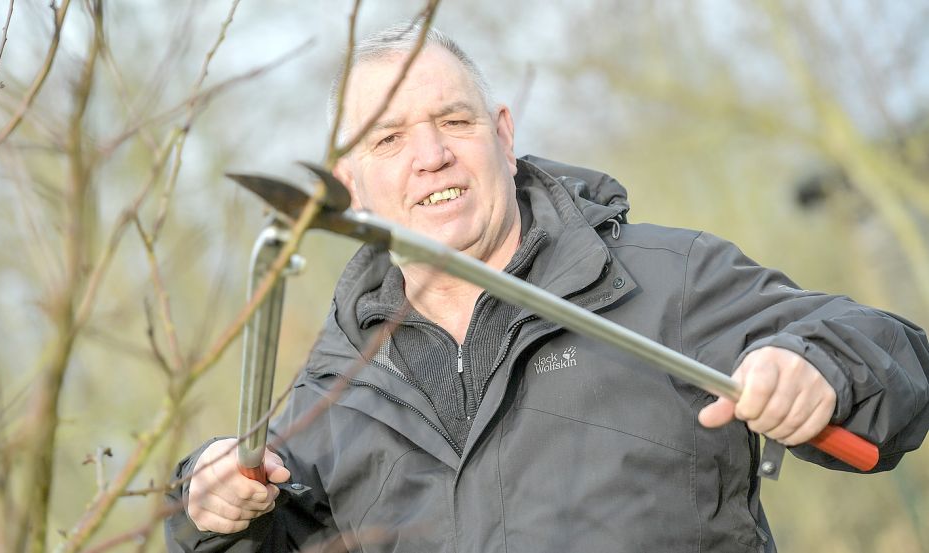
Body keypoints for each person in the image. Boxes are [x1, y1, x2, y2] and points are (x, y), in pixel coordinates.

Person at [165, 22, 929, 553]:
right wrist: (210, 513)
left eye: (452, 120)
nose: (429, 155)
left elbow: (900, 359)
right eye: (389, 138)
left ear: (501, 134)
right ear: (347, 181)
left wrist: (820, 369)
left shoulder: (666, 279)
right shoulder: (326, 395)